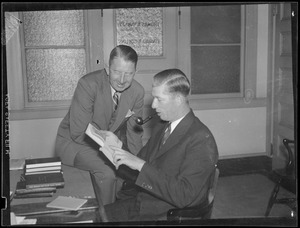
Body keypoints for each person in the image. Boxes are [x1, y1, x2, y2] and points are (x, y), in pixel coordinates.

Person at [101, 68, 219, 222]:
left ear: (178, 99)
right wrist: (115, 148)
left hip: (165, 214)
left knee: (99, 217)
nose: (154, 105)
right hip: (146, 202)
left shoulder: (201, 139)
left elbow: (185, 196)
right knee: (97, 214)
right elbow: (137, 167)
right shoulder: (163, 127)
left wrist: (140, 165)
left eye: (159, 99)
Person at [55, 45, 145, 205]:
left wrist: (140, 164)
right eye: (117, 72)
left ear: (135, 72)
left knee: (126, 173)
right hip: (75, 143)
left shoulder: (137, 92)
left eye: (128, 74)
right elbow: (78, 132)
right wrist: (110, 150)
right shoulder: (88, 84)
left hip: (106, 144)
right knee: (107, 172)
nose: (122, 80)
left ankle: (112, 212)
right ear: (107, 69)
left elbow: (134, 134)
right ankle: (106, 217)